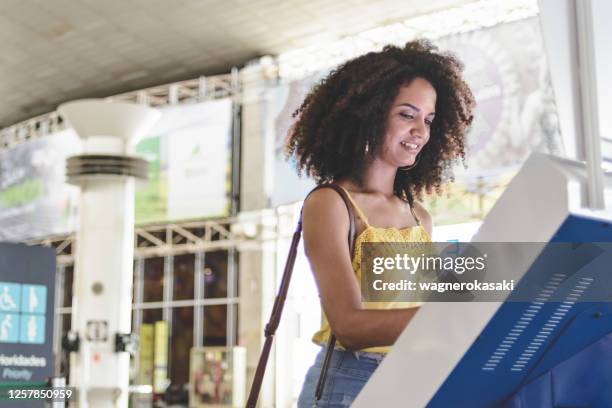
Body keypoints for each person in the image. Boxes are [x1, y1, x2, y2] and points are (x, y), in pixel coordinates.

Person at [285, 40, 475, 407]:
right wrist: (444, 316)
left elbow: (412, 315)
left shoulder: (419, 217)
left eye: (429, 120)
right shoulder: (332, 204)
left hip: (409, 381)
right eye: (407, 114)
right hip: (349, 383)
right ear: (369, 114)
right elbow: (350, 326)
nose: (421, 130)